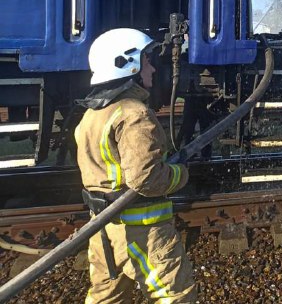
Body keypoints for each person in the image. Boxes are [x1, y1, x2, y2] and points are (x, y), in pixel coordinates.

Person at [75, 28, 196, 303]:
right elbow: (146, 179)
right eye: (146, 61)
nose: (152, 69)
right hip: (142, 230)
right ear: (127, 65)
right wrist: (180, 173)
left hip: (104, 229)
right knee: (174, 297)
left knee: (107, 297)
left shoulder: (93, 113)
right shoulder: (134, 114)